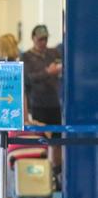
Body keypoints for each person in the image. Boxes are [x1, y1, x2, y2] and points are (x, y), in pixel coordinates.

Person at [22, 25, 63, 188]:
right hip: (38, 103)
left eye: (45, 39)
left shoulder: (53, 53)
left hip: (55, 102)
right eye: (40, 39)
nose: (43, 42)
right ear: (33, 38)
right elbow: (28, 79)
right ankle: (40, 175)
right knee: (40, 141)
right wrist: (48, 72)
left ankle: (56, 173)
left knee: (57, 140)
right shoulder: (26, 57)